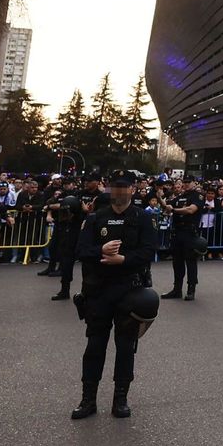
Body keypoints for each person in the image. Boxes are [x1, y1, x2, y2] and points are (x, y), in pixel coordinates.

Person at [71, 172, 159, 419]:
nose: (120, 193)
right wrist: (100, 249)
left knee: (125, 347)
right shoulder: (96, 218)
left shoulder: (143, 218)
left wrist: (123, 259)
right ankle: (88, 399)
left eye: (125, 188)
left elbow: (149, 251)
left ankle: (120, 398)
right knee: (94, 346)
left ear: (133, 190)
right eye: (115, 188)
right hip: (98, 290)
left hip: (128, 290)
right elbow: (80, 250)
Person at [162, 177, 203, 300]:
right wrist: (158, 196)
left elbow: (191, 210)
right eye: (183, 182)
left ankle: (191, 289)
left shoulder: (197, 196)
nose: (185, 185)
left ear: (194, 183)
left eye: (187, 182)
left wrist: (174, 210)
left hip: (190, 233)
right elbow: (167, 206)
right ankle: (177, 289)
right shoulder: (180, 197)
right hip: (177, 233)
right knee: (177, 262)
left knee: (190, 261)